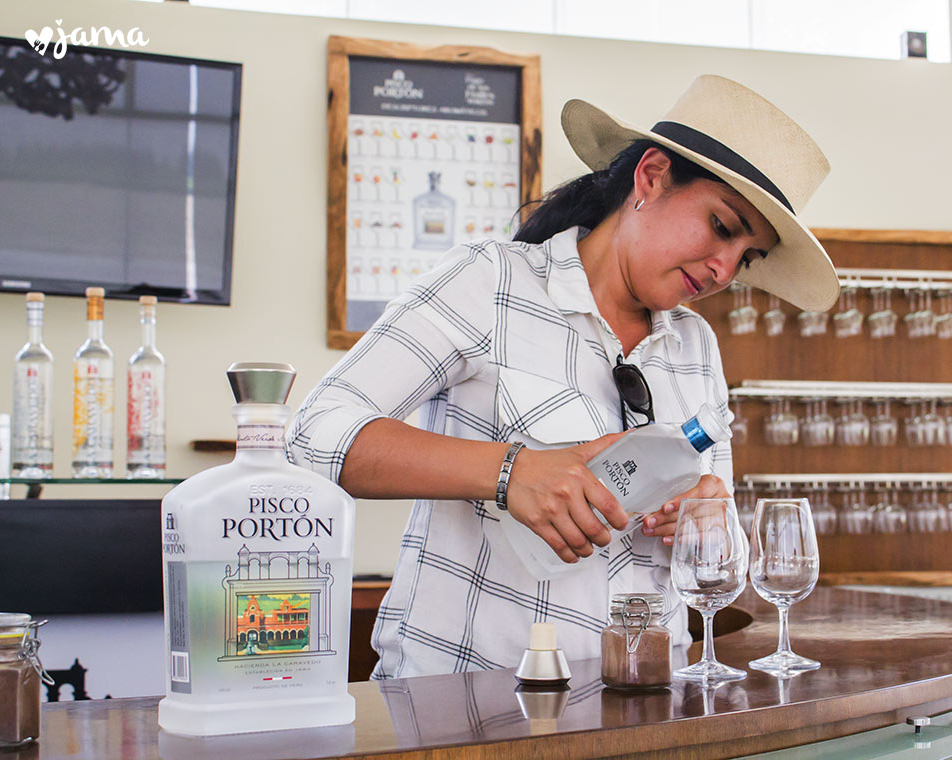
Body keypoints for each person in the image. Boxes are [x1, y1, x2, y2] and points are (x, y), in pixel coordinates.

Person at [286, 74, 839, 679]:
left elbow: (715, 530)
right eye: (723, 228)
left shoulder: (696, 346)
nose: (723, 270)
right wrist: (510, 472)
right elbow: (313, 438)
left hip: (648, 707)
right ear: (651, 177)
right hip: (470, 707)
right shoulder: (489, 283)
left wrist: (705, 517)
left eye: (747, 257)